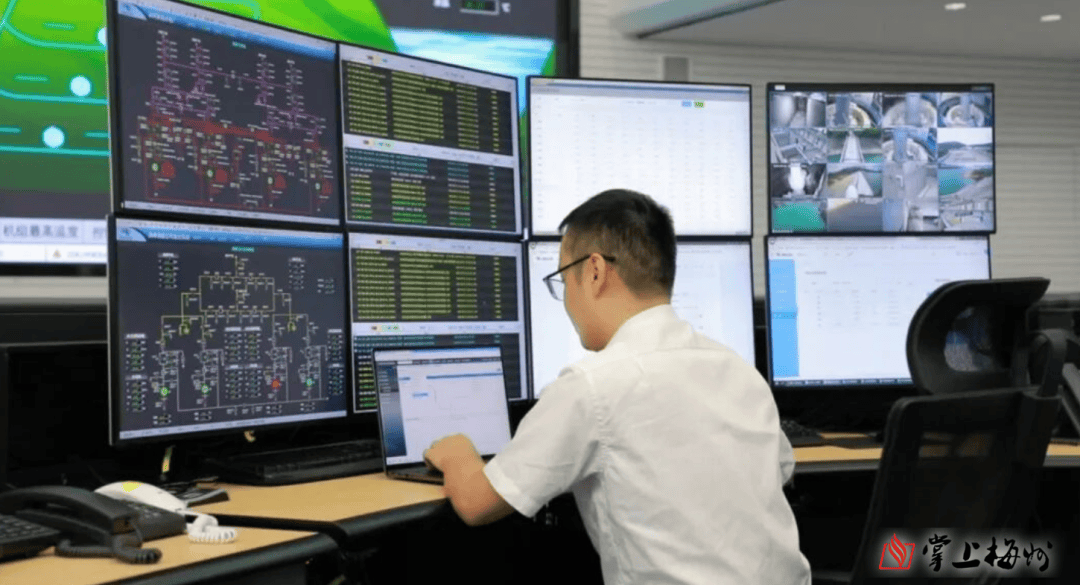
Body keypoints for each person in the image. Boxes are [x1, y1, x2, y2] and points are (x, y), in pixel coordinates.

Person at [425, 189, 811, 584]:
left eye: (563, 280)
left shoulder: (592, 386)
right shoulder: (740, 372)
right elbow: (780, 470)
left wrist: (458, 454)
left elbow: (476, 503)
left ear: (594, 271)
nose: (566, 299)